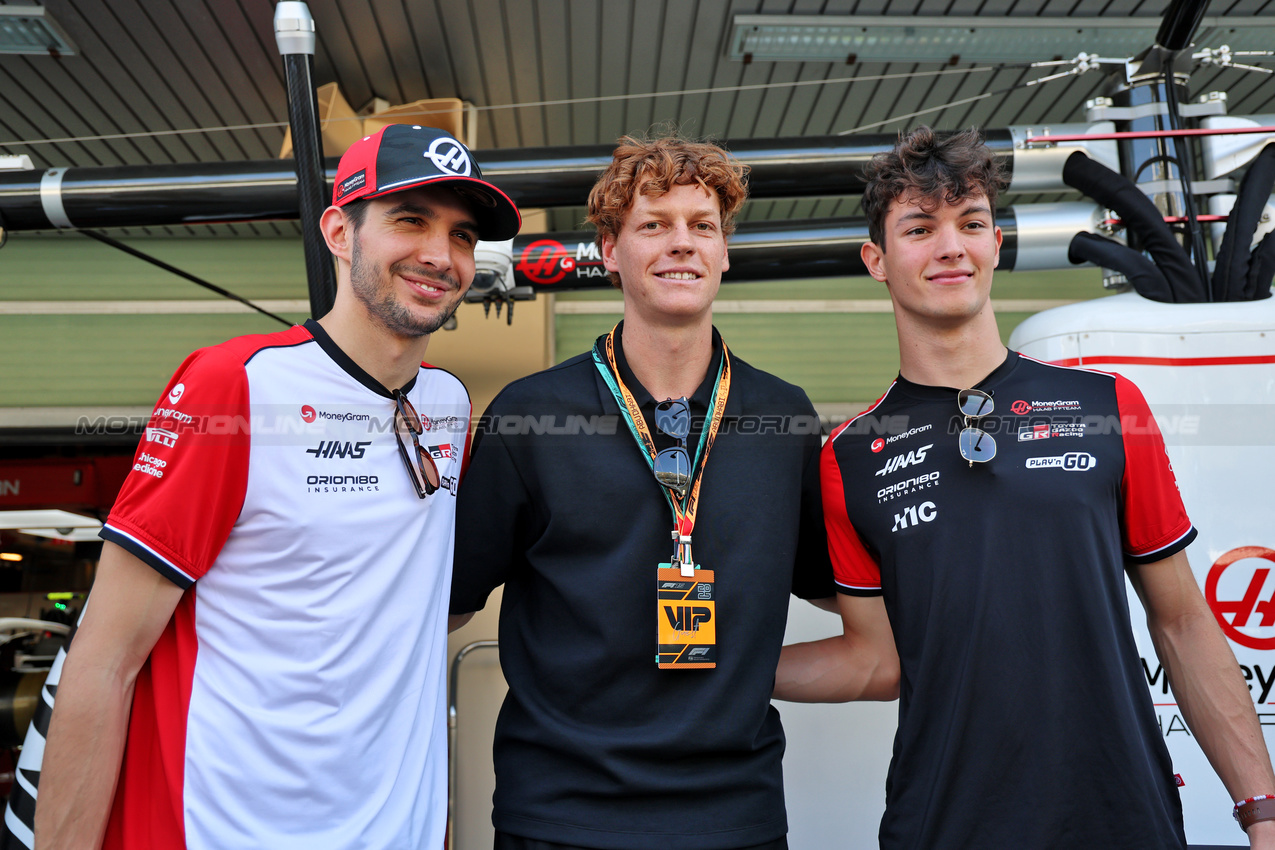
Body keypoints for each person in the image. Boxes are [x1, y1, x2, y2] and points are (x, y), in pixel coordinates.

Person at [774, 125, 1275, 848]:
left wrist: (1261, 811)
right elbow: (874, 661)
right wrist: (713, 664)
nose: (951, 246)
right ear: (875, 260)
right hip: (943, 826)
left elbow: (1182, 623)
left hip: (1121, 821)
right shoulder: (848, 456)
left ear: (995, 244)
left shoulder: (1109, 406)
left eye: (971, 223)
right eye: (920, 228)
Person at [34, 124, 520, 850]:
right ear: (339, 232)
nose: (438, 254)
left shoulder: (448, 406)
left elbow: (408, 613)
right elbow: (106, 658)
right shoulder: (236, 384)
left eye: (461, 235)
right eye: (410, 220)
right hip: (227, 828)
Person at [449, 134, 859, 850]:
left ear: (724, 252)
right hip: (560, 814)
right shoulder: (527, 416)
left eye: (702, 226)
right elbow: (442, 608)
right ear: (609, 250)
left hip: (733, 815)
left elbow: (842, 591)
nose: (682, 243)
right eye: (654, 224)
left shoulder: (784, 417)